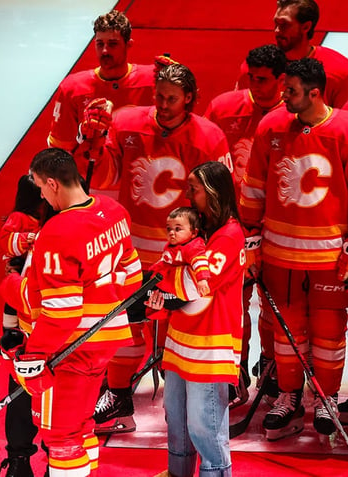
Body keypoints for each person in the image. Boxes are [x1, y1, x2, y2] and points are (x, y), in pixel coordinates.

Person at [87, 63, 231, 434]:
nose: (163, 105)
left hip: (182, 257)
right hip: (133, 250)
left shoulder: (210, 136)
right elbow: (105, 177)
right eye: (159, 96)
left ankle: (180, 405)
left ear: (190, 99)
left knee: (179, 329)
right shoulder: (126, 121)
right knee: (127, 325)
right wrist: (94, 142)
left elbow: (217, 198)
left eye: (172, 99)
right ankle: (118, 397)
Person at [0, 147, 142, 477]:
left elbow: (61, 312)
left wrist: (33, 354)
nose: (39, 195)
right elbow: (132, 279)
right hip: (105, 340)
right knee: (82, 427)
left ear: (52, 183)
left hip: (67, 349)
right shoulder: (115, 210)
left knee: (61, 437)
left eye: (37, 185)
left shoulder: (57, 231)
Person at [239, 57, 348, 440]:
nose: (282, 95)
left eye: (291, 90)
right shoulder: (271, 126)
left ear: (315, 93)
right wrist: (250, 236)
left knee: (329, 332)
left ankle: (326, 398)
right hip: (279, 255)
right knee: (286, 335)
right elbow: (253, 187)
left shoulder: (345, 131)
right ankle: (288, 398)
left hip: (329, 259)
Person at [148, 161, 245, 477]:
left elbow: (193, 286)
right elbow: (170, 266)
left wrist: (160, 280)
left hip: (210, 349)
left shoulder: (229, 235)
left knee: (205, 428)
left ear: (213, 192)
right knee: (175, 419)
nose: (187, 194)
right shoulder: (198, 227)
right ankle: (177, 473)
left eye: (194, 188)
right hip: (180, 342)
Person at [205, 43, 287, 408]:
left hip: (279, 229)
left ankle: (272, 369)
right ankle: (233, 370)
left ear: (282, 80)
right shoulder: (224, 108)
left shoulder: (294, 115)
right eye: (251, 77)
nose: (255, 85)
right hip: (231, 227)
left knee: (274, 309)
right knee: (232, 306)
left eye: (264, 80)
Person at [46, 9, 155, 198]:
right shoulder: (73, 88)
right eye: (100, 44)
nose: (105, 51)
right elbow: (59, 150)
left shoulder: (152, 81)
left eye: (112, 44)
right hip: (92, 187)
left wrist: (175, 80)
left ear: (128, 45)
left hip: (143, 184)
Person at [0, 175, 52, 477]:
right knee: (21, 388)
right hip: (25, 315)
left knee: (51, 397)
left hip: (52, 323)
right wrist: (30, 241)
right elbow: (7, 240)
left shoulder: (59, 219)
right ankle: (18, 459)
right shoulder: (22, 218)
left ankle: (54, 458)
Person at [235, 0, 348, 108]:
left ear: (306, 27)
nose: (277, 30)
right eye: (276, 23)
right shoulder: (256, 67)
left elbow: (344, 122)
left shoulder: (339, 72)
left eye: (285, 24)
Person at [148, 207, 211, 309]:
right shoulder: (175, 245)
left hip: (183, 290)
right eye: (169, 229)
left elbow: (200, 261)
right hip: (170, 287)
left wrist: (202, 279)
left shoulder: (193, 246)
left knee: (141, 294)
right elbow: (165, 261)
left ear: (194, 233)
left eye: (178, 229)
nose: (171, 232)